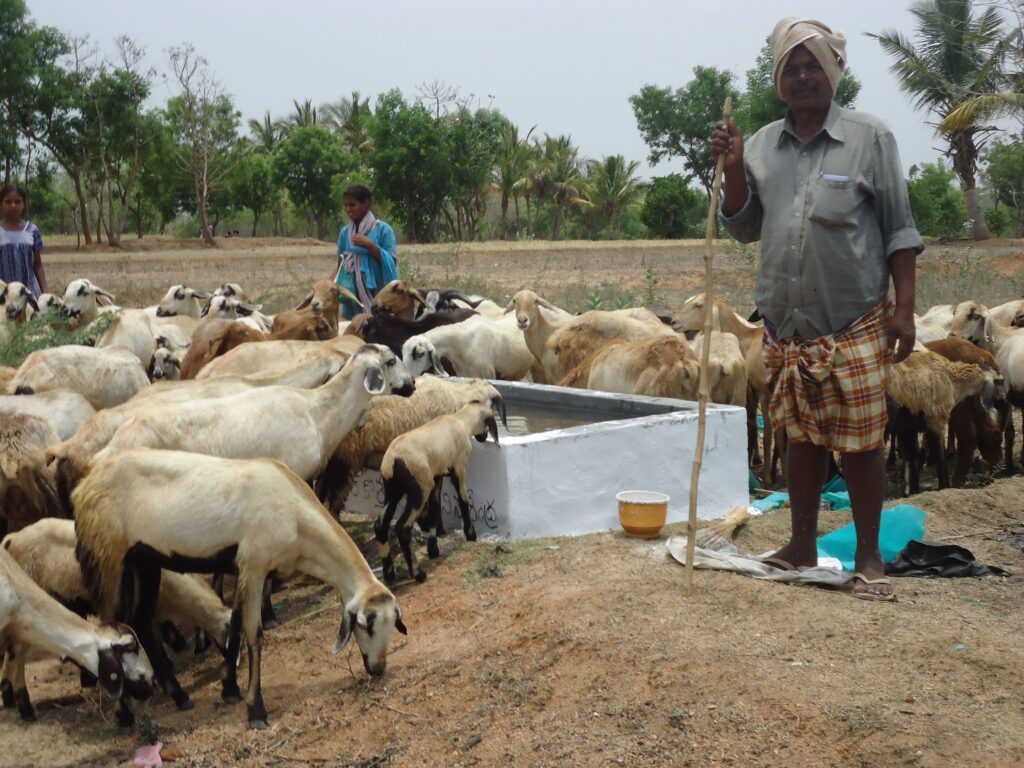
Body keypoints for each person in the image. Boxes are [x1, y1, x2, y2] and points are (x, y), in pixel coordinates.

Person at [710, 17, 923, 602]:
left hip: (852, 320)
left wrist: (904, 310)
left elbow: (899, 231)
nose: (802, 76)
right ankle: (801, 545)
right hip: (786, 325)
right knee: (799, 435)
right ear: (778, 79)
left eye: (812, 66)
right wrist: (731, 169)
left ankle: (869, 555)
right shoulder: (758, 146)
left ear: (832, 73)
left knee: (860, 442)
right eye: (791, 68)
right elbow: (744, 227)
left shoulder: (869, 138)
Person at [333, 185, 398, 319]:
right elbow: (340, 267)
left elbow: (392, 263)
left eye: (352, 205)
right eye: (345, 205)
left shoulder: (383, 230)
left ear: (365, 204)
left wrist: (369, 245)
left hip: (380, 295)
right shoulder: (345, 233)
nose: (348, 209)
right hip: (354, 301)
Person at [0, 185, 47, 296]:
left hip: (29, 293)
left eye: (17, 201)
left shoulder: (32, 230)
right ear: (1, 204)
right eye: (8, 201)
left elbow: (38, 265)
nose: (13, 205)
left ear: (23, 204)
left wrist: (44, 292)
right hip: (3, 295)